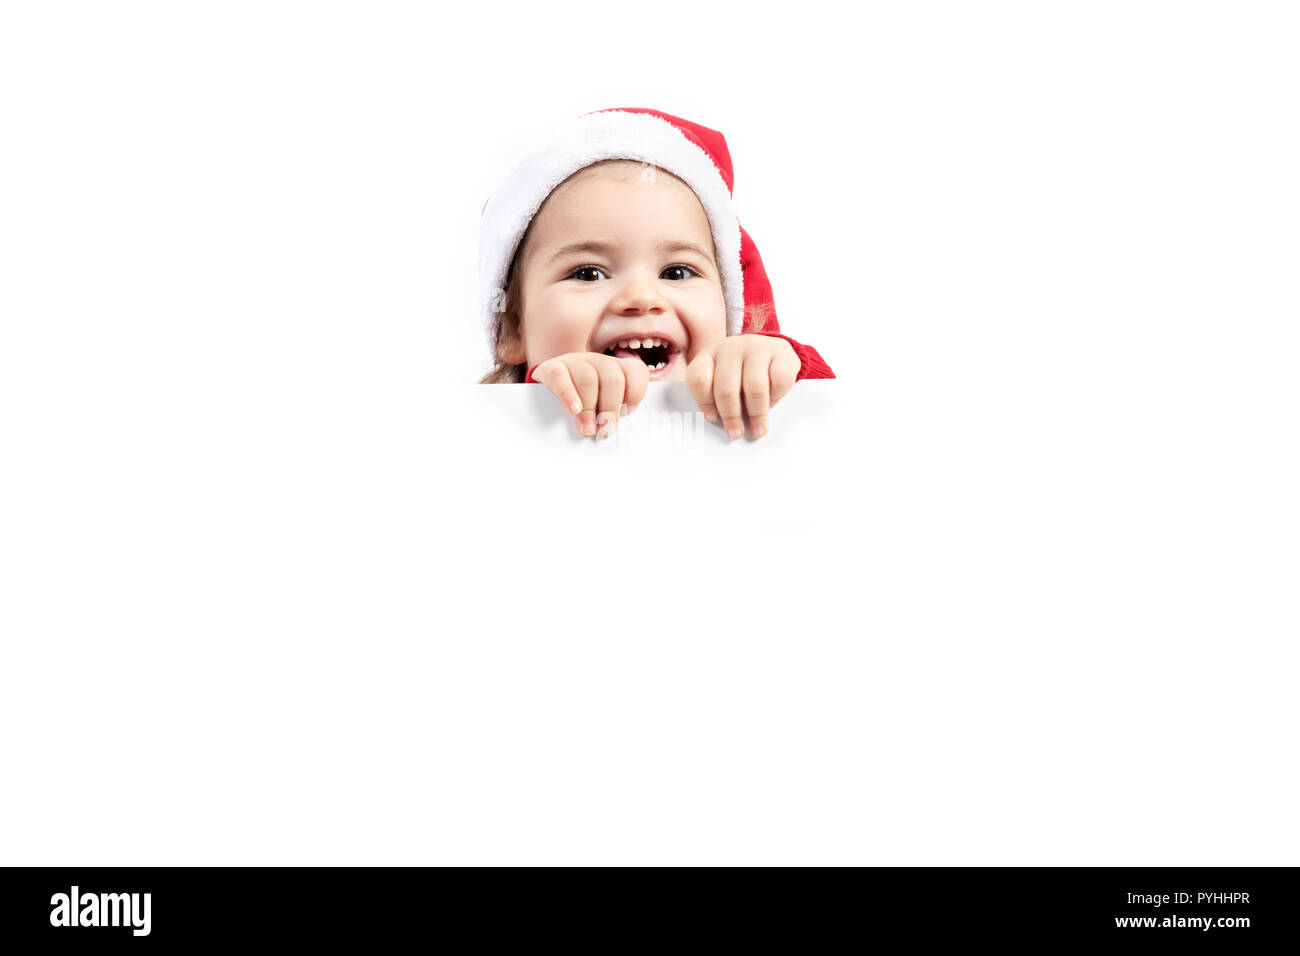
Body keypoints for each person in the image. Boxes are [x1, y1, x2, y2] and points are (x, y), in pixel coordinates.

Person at [478, 107, 835, 439]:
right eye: (588, 274)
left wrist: (773, 366)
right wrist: (547, 403)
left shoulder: (750, 405)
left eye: (677, 272)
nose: (642, 298)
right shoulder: (494, 427)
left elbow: (831, 423)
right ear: (512, 327)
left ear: (728, 307)